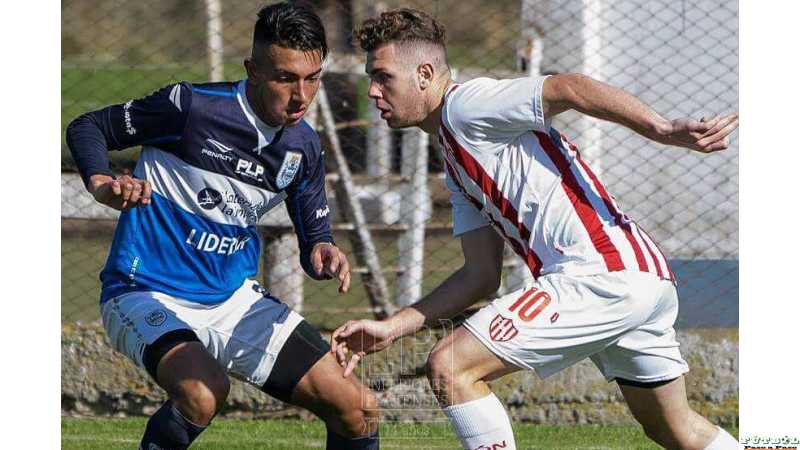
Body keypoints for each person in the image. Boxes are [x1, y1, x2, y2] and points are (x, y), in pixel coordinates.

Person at [331, 8, 739, 450]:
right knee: (674, 428)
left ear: (425, 74)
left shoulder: (466, 106)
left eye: (383, 76)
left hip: (599, 276)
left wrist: (662, 128)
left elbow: (568, 87)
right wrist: (392, 327)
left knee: (452, 366)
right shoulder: (455, 157)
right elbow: (480, 275)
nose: (371, 91)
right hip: (641, 276)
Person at [66, 3, 380, 449]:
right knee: (201, 392)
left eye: (313, 78)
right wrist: (101, 183)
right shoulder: (190, 108)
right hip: (142, 291)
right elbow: (89, 126)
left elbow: (315, 237)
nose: (302, 95)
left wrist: (324, 252)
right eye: (286, 78)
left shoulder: (303, 146)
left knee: (359, 409)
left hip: (232, 301)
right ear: (252, 70)